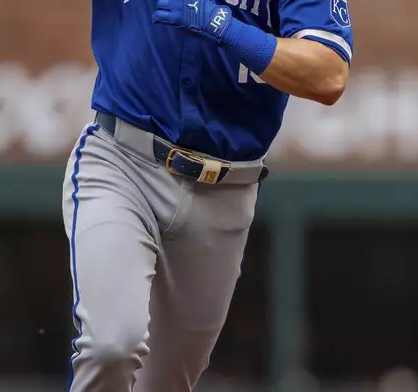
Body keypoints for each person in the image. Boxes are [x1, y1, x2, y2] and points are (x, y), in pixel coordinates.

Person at [62, 0, 353, 391]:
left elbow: (328, 73)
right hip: (123, 161)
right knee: (111, 344)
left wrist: (222, 25)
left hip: (226, 189)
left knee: (166, 383)